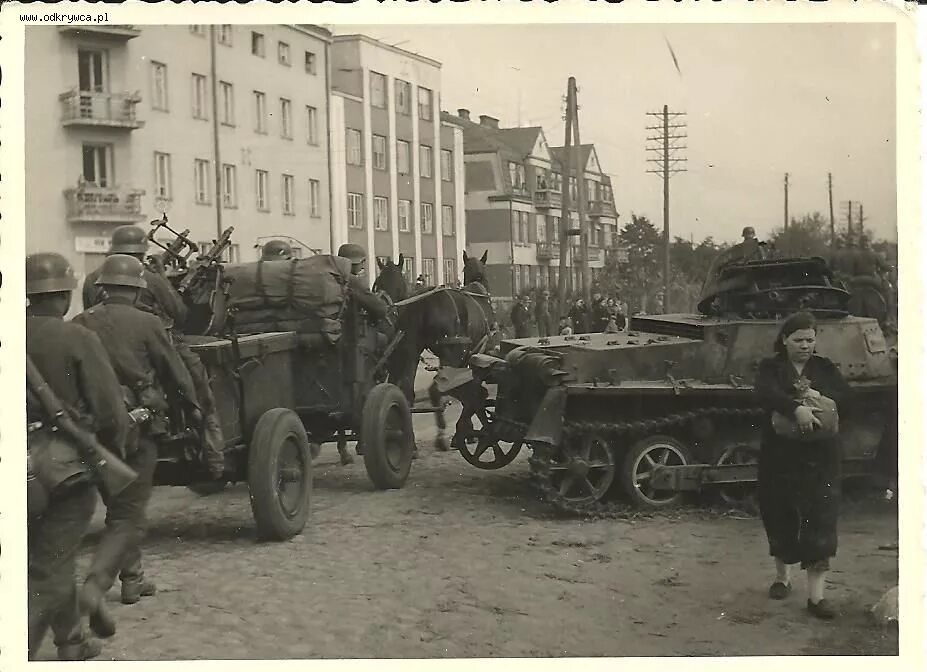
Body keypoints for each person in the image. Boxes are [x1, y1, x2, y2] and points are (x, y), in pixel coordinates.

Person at [73, 255, 201, 617]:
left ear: (102, 288)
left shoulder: (82, 321)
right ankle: (119, 580)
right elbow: (174, 370)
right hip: (140, 424)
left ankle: (133, 576)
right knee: (130, 511)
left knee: (117, 504)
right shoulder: (148, 322)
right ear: (136, 290)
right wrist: (193, 406)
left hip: (96, 428)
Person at [26, 253, 129, 659]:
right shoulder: (77, 338)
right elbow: (109, 411)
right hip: (62, 466)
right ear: (66, 294)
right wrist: (112, 451)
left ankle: (71, 640)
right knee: (51, 562)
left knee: (51, 556)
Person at [84, 225, 225, 481]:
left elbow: (91, 310)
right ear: (141, 252)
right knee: (199, 384)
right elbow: (180, 315)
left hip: (104, 351)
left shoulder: (91, 279)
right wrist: (163, 280)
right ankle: (212, 450)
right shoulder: (151, 278)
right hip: (152, 343)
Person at [755, 311, 851, 620]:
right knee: (780, 513)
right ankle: (782, 577)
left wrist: (818, 397)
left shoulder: (824, 368)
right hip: (780, 455)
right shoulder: (771, 368)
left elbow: (846, 398)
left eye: (810, 340)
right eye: (799, 340)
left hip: (820, 457)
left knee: (820, 520)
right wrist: (795, 408)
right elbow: (764, 393)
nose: (805, 346)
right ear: (784, 340)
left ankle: (816, 598)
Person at [336, 243, 391, 324]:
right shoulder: (353, 281)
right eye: (362, 262)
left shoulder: (332, 276)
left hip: (326, 326)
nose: (363, 267)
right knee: (383, 336)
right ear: (353, 263)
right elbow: (380, 309)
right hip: (346, 330)